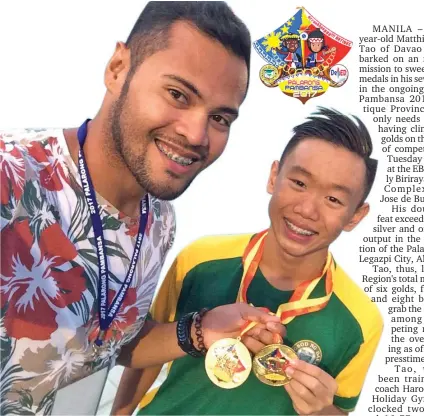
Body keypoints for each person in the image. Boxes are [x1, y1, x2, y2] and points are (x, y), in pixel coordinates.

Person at [0, 2, 282, 415]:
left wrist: (200, 330)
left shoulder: (159, 222)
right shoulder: (12, 182)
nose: (196, 134)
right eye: (178, 94)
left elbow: (109, 341)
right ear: (117, 68)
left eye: (220, 118)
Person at [112, 107, 384, 415]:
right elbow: (143, 352)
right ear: (273, 177)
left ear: (356, 216)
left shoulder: (361, 321)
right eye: (299, 183)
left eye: (333, 200)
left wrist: (320, 410)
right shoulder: (200, 261)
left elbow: (340, 410)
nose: (307, 210)